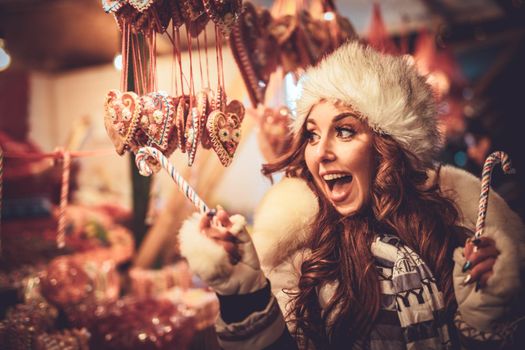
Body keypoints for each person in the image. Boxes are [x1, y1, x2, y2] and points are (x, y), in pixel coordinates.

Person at [179, 41, 525, 349]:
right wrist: (245, 294)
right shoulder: (303, 251)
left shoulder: (456, 226)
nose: (321, 152)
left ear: (388, 145)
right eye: (312, 135)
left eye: (344, 131)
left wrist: (485, 313)